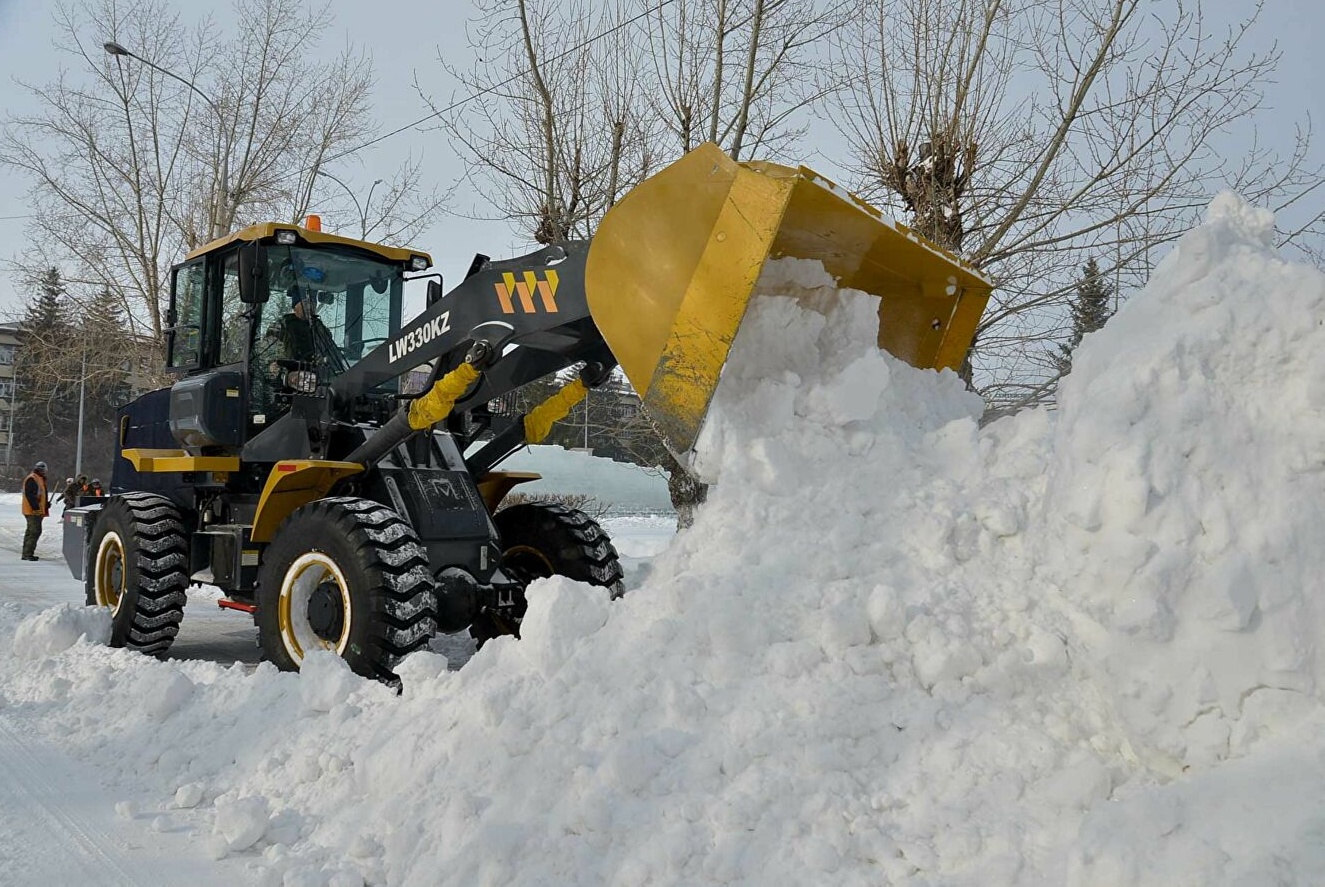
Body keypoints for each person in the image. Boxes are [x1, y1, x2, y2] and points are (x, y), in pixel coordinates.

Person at [20, 460, 50, 561]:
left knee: (31, 531)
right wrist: (36, 508)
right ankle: (28, 554)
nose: (45, 472)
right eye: (44, 470)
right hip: (32, 511)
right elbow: (31, 495)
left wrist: (45, 504)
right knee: (34, 531)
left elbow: (40, 495)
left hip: (35, 510)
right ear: (40, 470)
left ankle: (26, 553)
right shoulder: (32, 479)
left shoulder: (39, 479)